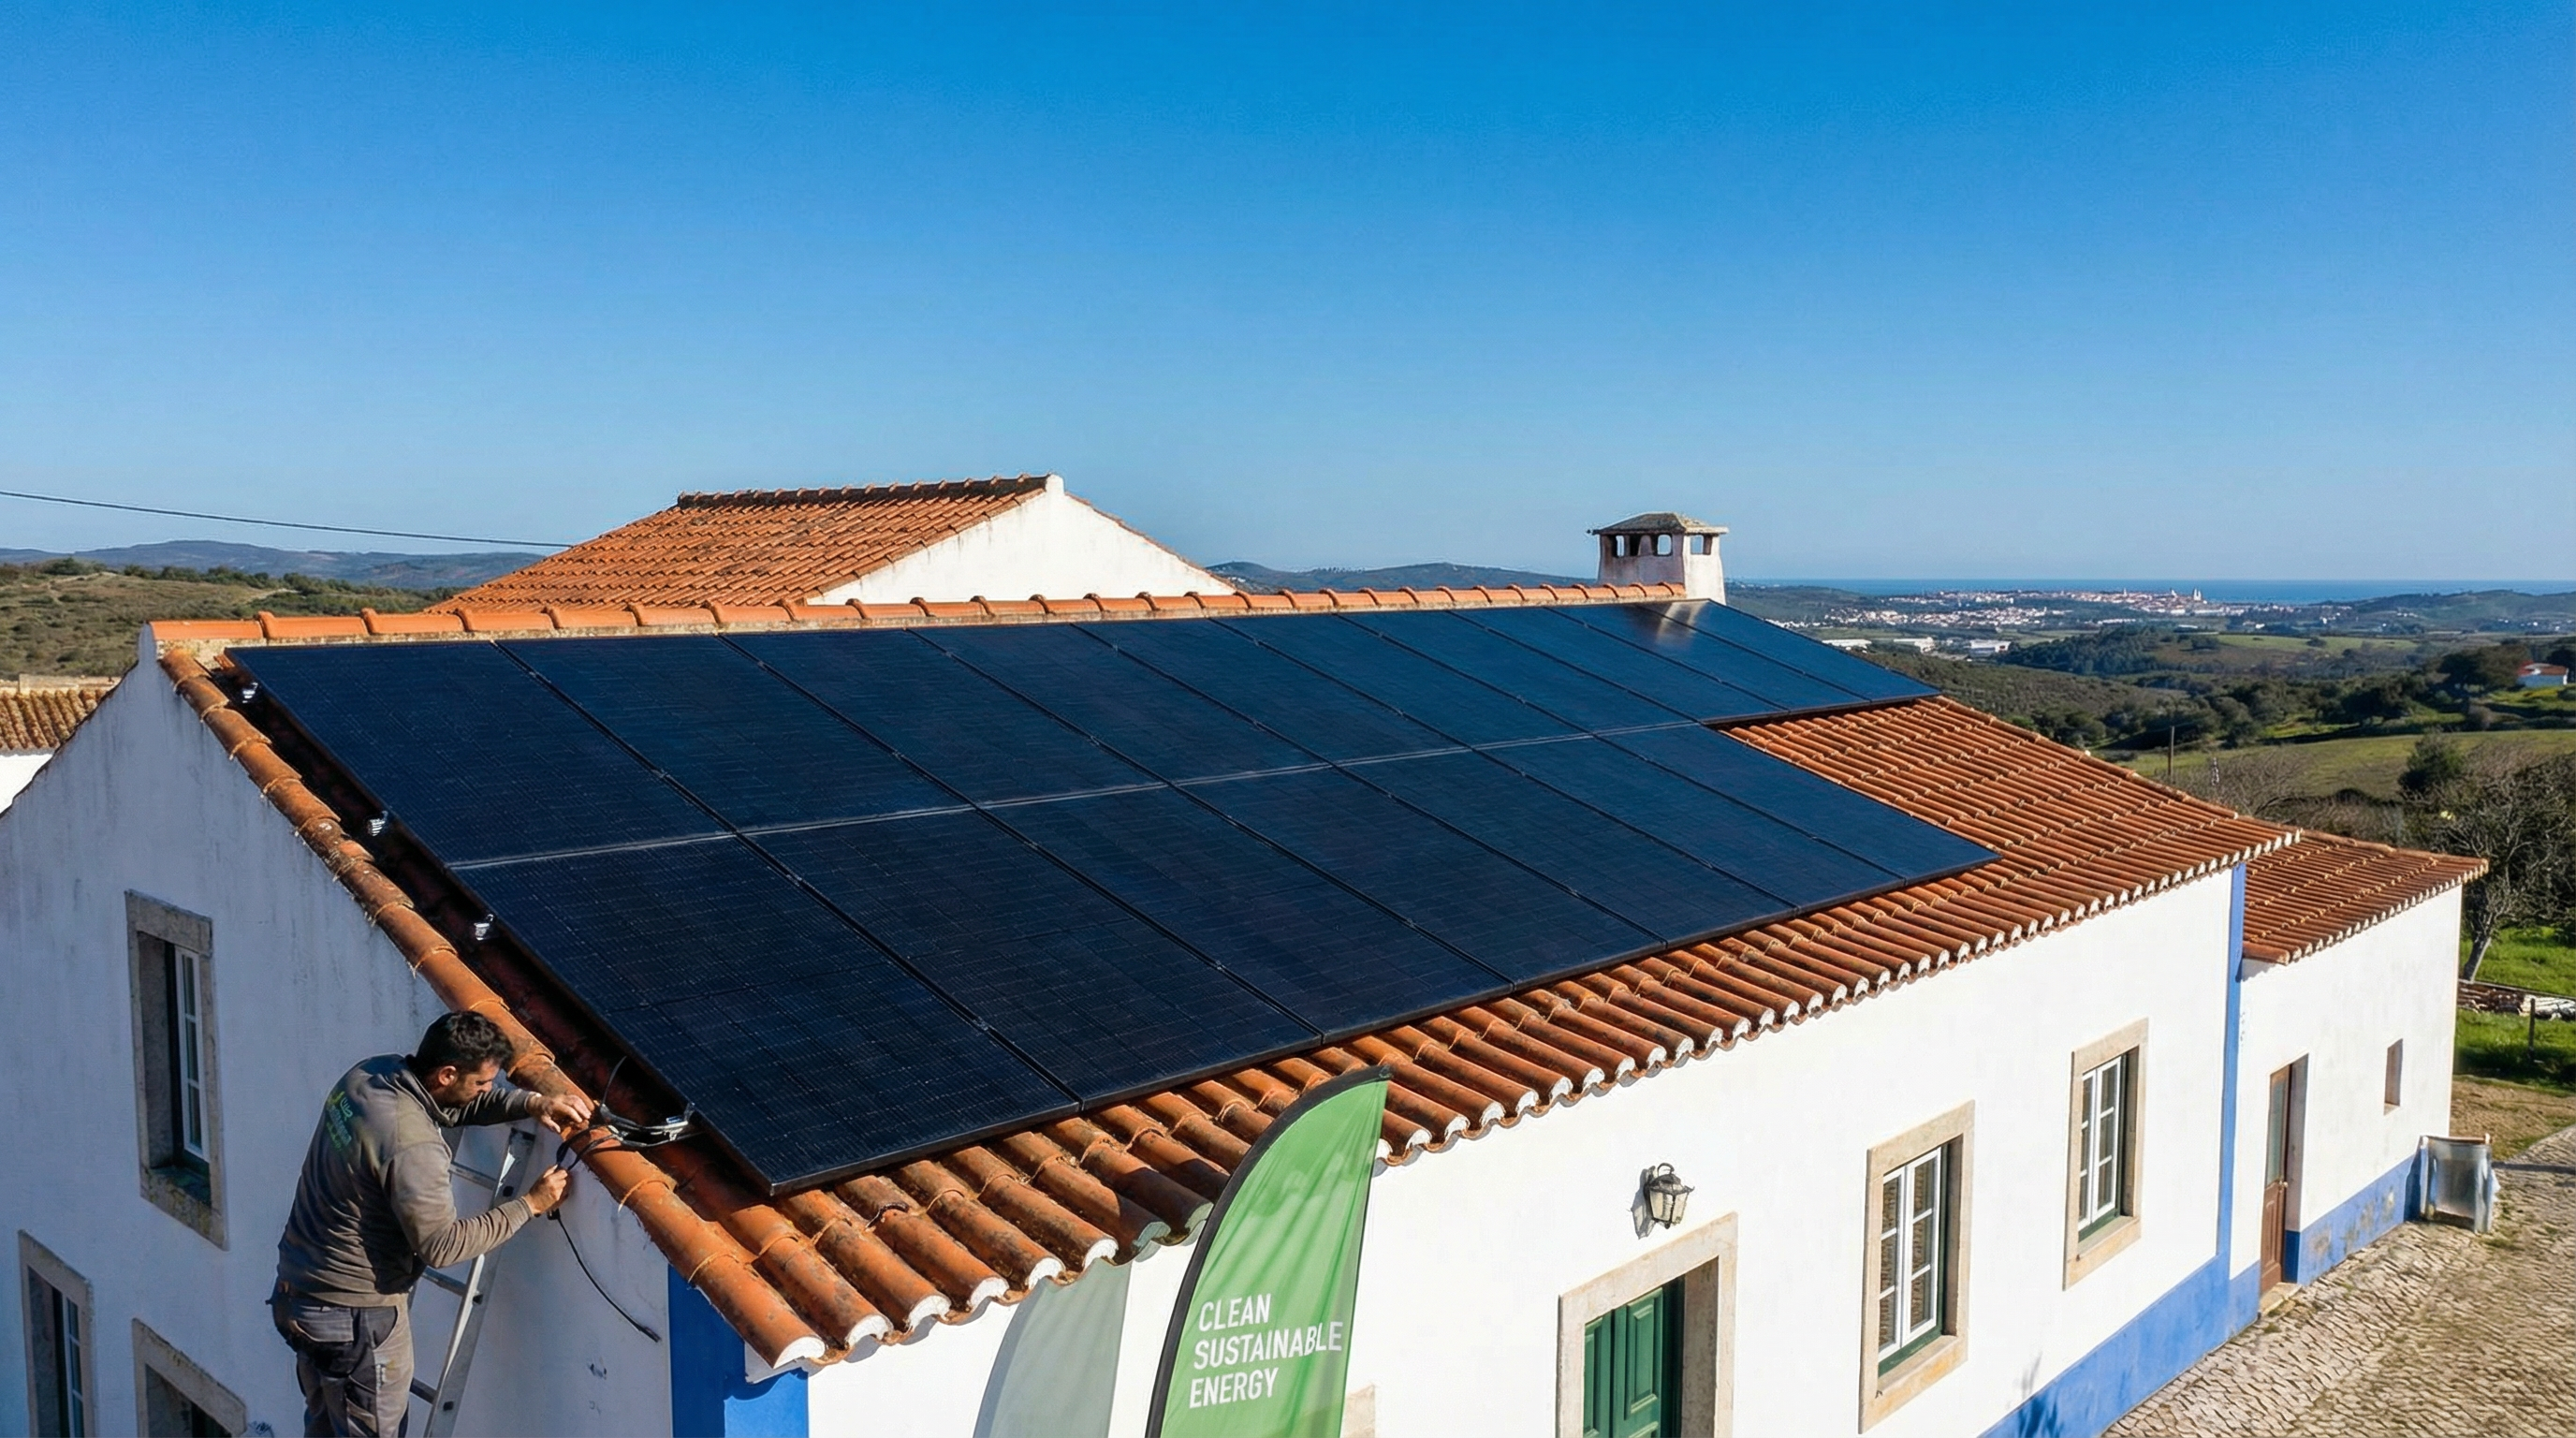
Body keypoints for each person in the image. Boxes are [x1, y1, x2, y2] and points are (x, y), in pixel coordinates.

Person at [271, 1012, 593, 1437]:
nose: (487, 1091)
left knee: (327, 1428)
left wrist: (532, 1103)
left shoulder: (370, 1076)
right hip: (355, 1318)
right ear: (445, 1074)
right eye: (481, 1083)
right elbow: (441, 1247)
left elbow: (452, 1107)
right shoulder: (412, 1144)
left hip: (297, 1295)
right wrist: (529, 1204)